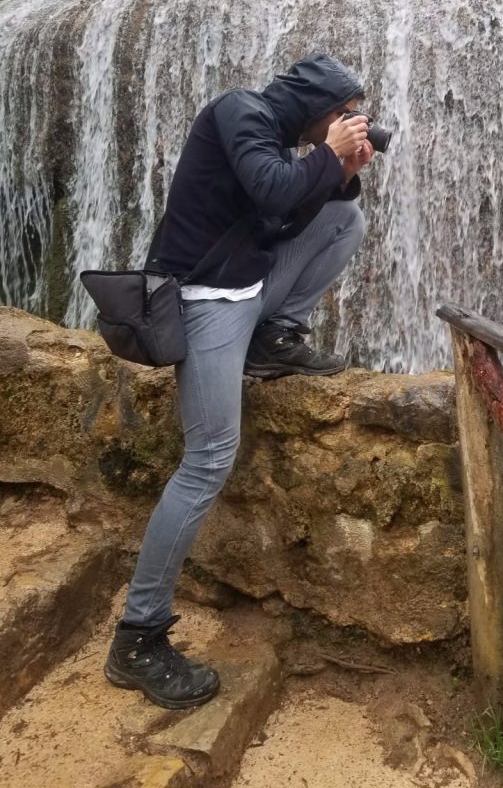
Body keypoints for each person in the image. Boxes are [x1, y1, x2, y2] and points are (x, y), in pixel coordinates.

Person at [104, 53, 373, 709]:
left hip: (247, 292)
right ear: (317, 104)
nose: (349, 122)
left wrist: (339, 174)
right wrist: (325, 156)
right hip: (203, 301)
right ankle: (138, 638)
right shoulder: (238, 112)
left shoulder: (284, 140)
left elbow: (284, 217)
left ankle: (275, 337)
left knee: (346, 218)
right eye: (343, 113)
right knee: (208, 458)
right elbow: (275, 189)